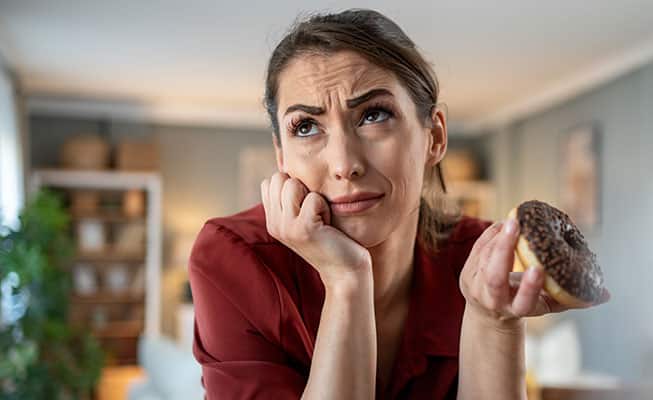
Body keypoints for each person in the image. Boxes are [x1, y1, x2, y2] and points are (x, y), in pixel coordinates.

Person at [188, 8, 609, 399]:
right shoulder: (234, 259)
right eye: (306, 127)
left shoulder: (477, 259)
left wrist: (493, 320)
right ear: (281, 155)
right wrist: (347, 280)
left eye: (374, 115)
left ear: (434, 136)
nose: (344, 164)